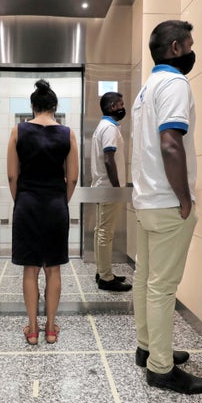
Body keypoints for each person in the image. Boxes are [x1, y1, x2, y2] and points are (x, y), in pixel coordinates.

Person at [131, 20, 202, 394]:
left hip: (146, 201)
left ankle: (149, 348)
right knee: (162, 287)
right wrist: (184, 198)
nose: (194, 51)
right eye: (191, 44)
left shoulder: (146, 89)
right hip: (167, 203)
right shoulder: (176, 84)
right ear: (177, 48)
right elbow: (170, 144)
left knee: (146, 280)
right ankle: (161, 369)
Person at [7, 79, 79, 345]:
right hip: (55, 205)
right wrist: (62, 200)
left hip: (27, 204)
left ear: (33, 106)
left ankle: (33, 329)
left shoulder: (17, 131)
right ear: (54, 107)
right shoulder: (67, 133)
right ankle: (51, 329)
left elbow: (12, 176)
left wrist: (21, 200)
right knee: (54, 269)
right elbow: (72, 178)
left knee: (30, 269)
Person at [90, 92, 133, 292]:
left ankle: (102, 271)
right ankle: (106, 278)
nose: (123, 107)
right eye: (121, 104)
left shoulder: (104, 127)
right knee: (105, 233)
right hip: (109, 189)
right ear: (113, 106)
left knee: (101, 231)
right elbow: (109, 159)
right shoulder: (109, 128)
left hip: (103, 188)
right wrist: (117, 189)